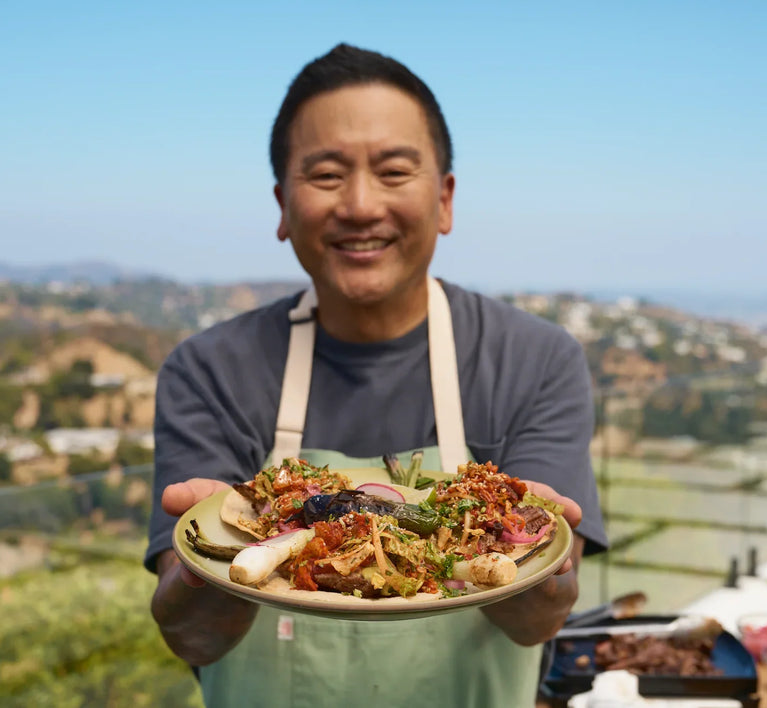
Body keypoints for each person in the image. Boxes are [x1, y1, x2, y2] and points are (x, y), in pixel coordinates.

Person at [146, 43, 607, 707]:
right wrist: (199, 578)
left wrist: (543, 569)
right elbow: (192, 638)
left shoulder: (535, 360)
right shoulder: (208, 370)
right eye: (327, 175)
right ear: (282, 204)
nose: (361, 206)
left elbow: (539, 621)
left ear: (444, 200)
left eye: (393, 171)